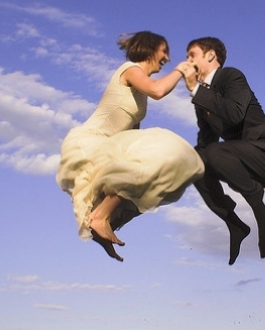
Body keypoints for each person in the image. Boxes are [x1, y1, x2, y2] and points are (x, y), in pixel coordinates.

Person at [56, 31, 203, 262]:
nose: (167, 57)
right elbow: (158, 90)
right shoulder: (130, 70)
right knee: (156, 160)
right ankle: (100, 218)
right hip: (92, 141)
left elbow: (133, 135)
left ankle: (103, 230)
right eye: (164, 51)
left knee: (150, 181)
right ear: (150, 49)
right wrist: (181, 70)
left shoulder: (140, 96)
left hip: (107, 146)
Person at [183, 37, 265, 265]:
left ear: (211, 55)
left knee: (213, 154)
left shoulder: (232, 76)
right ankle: (235, 224)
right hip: (242, 162)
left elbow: (234, 114)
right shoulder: (203, 99)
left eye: (192, 55)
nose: (187, 61)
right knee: (196, 160)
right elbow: (205, 142)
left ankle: (262, 212)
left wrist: (195, 90)